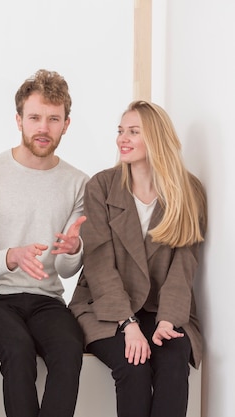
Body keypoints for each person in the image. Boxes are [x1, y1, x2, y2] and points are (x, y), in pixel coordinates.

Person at [68, 100, 207, 417]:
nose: (122, 139)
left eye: (133, 131)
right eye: (120, 131)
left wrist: (168, 320)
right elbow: (99, 263)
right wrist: (128, 324)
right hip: (106, 307)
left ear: (156, 138)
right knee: (134, 366)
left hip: (163, 308)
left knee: (174, 365)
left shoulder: (189, 192)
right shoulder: (101, 186)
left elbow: (184, 268)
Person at [0, 69, 88, 417]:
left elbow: (64, 269)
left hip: (46, 299)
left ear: (66, 124)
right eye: (34, 118)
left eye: (53, 119)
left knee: (67, 351)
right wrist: (12, 257)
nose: (43, 128)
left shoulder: (78, 183)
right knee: (17, 351)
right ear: (19, 120)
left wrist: (72, 250)